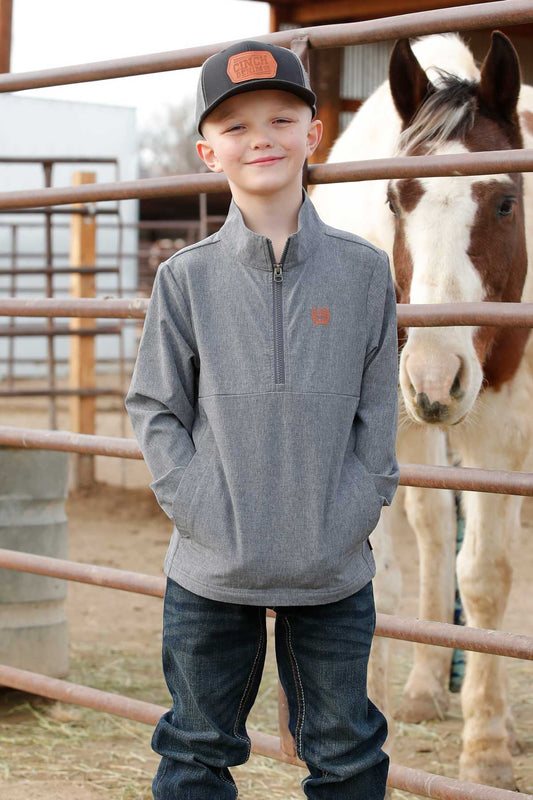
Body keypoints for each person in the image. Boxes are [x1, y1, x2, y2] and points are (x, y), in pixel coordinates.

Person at [125, 38, 400, 800]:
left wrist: (354, 506)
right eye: (236, 126)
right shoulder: (185, 279)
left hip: (331, 565)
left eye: (280, 119)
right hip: (211, 566)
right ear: (208, 150)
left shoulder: (363, 272)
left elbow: (379, 408)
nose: (261, 139)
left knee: (346, 755)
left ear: (313, 134)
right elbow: (154, 406)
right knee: (195, 750)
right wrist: (200, 508)